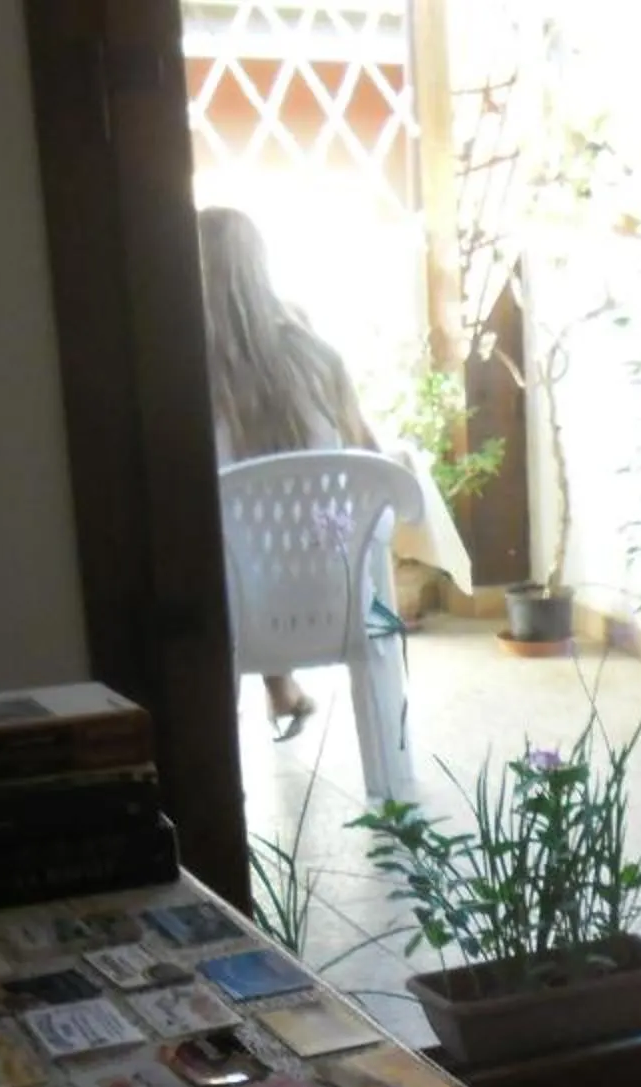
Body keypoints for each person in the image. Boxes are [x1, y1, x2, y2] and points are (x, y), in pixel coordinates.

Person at [195, 205, 378, 741]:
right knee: (287, 527)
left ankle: (227, 730)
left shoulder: (185, 370)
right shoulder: (317, 357)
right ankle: (282, 685)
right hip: (334, 593)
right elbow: (370, 459)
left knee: (234, 539)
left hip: (233, 613)